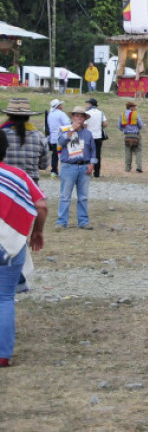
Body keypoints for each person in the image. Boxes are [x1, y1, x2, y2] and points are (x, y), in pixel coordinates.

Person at [0, 131, 48, 367]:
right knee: (4, 298)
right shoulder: (17, 176)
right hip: (9, 244)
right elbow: (41, 205)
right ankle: (3, 354)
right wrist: (37, 231)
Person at [56, 106, 96, 230]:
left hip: (84, 167)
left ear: (84, 119)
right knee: (65, 196)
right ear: (72, 117)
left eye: (81, 116)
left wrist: (92, 164)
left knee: (83, 197)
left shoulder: (88, 134)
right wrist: (71, 131)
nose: (79, 118)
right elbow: (60, 143)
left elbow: (93, 151)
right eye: (76, 116)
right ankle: (62, 222)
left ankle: (83, 221)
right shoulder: (64, 130)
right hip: (68, 167)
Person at [1, 98, 48, 183]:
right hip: (30, 186)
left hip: (5, 184)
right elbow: (44, 165)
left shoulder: (2, 134)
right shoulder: (39, 136)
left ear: (9, 115)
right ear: (28, 116)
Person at [84, 99, 108, 178]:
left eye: (87, 103)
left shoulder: (87, 113)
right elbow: (105, 123)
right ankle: (97, 173)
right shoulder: (100, 113)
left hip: (89, 136)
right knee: (97, 155)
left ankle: (88, 171)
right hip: (98, 136)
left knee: (88, 154)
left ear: (90, 104)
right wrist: (99, 127)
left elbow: (85, 125)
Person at [46, 99, 69, 178]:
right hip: (61, 137)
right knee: (64, 154)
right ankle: (64, 171)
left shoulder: (50, 114)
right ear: (58, 106)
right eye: (60, 105)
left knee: (55, 155)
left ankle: (54, 171)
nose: (62, 106)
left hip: (53, 138)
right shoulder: (61, 114)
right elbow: (67, 124)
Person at [119, 101, 143, 173]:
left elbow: (120, 126)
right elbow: (140, 124)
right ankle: (139, 167)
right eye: (134, 106)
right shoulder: (136, 114)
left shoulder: (122, 114)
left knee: (128, 152)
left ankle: (127, 168)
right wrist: (138, 128)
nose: (135, 108)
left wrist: (125, 130)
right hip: (135, 135)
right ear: (131, 107)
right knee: (138, 151)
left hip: (127, 135)